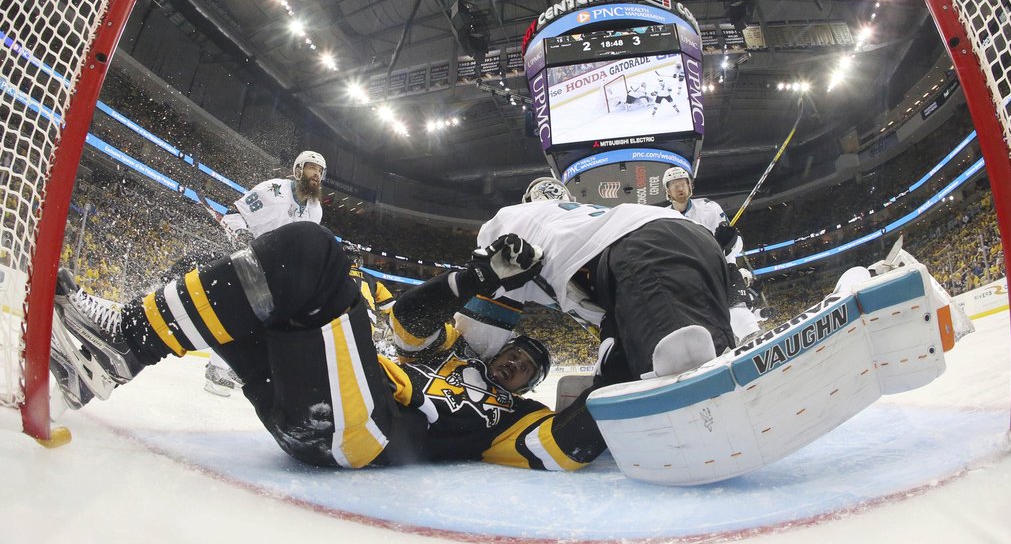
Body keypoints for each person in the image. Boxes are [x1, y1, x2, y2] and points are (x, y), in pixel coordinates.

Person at [49, 223, 606, 471]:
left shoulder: (515, 417)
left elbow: (563, 447)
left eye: (528, 366)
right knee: (239, 289)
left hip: (362, 432)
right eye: (516, 352)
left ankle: (122, 343)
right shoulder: (458, 352)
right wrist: (475, 278)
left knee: (311, 250)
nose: (514, 362)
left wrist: (620, 372)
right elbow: (408, 322)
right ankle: (106, 357)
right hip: (316, 403)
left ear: (533, 384)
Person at [477, 197, 734, 385]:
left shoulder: (511, 222)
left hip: (645, 249)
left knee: (683, 374)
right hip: (695, 243)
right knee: (710, 364)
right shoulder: (577, 236)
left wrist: (470, 369)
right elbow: (613, 319)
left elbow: (479, 338)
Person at [205, 149, 327, 395]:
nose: (316, 175)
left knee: (265, 323)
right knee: (241, 315)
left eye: (320, 171)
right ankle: (215, 369)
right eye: (312, 168)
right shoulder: (273, 191)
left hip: (279, 271)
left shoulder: (315, 208)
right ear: (298, 169)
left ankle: (226, 367)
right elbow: (235, 215)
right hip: (253, 260)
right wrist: (242, 237)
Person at [659, 166, 762, 343]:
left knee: (734, 303)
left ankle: (751, 335)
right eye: (674, 185)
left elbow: (737, 246)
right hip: (692, 276)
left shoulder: (709, 208)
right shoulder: (663, 219)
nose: (680, 188)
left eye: (683, 183)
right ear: (667, 191)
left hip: (721, 267)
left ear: (690, 185)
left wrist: (729, 241)